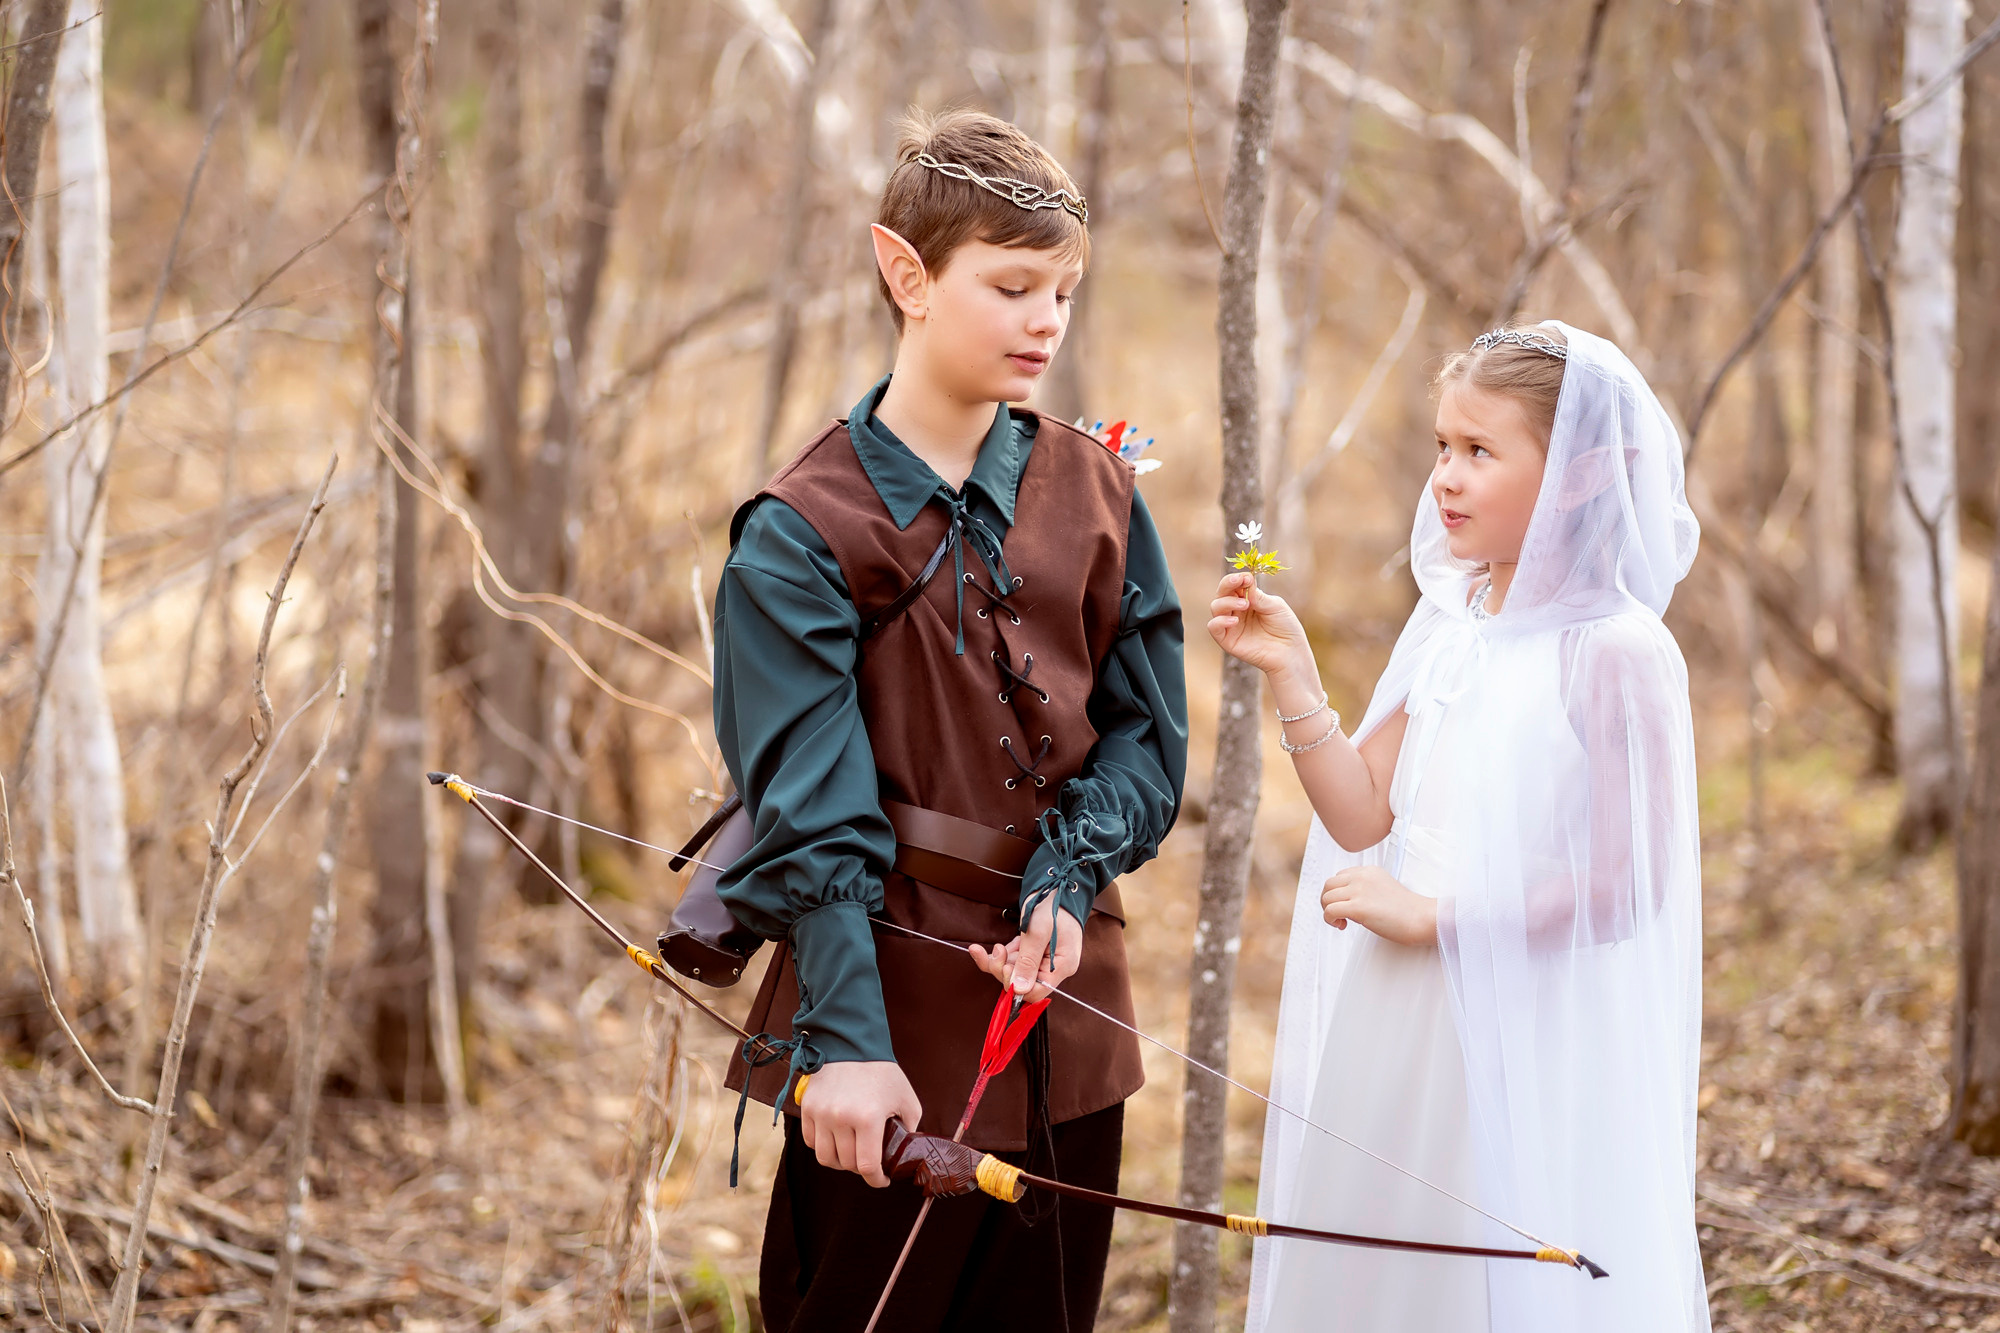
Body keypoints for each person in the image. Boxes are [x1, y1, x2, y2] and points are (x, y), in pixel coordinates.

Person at [711, 108, 1187, 1333]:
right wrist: (848, 1047)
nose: (1046, 322)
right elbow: (807, 819)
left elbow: (1147, 739)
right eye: (1013, 285)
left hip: (1070, 1020)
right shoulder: (799, 531)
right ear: (904, 272)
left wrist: (1066, 886)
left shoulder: (1097, 490)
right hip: (887, 1022)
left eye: (1063, 293)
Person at [1212, 323, 1709, 1332]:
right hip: (1397, 1010)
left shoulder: (1613, 652)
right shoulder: (1451, 620)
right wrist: (1295, 674)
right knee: (1379, 1278)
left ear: (1574, 474)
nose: (1445, 476)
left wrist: (1436, 917)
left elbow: (1626, 888)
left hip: (1523, 1020)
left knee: (1490, 1275)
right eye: (1442, 446)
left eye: (1479, 452)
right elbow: (1361, 808)